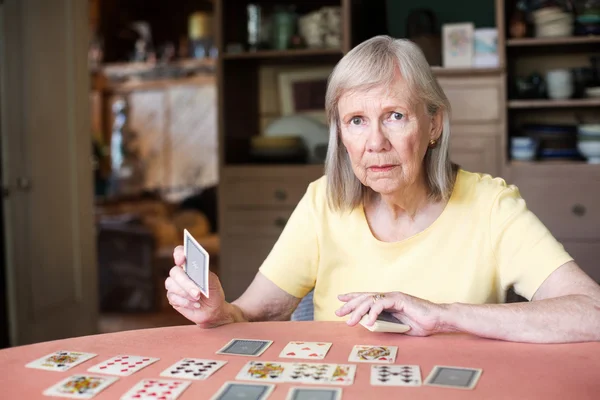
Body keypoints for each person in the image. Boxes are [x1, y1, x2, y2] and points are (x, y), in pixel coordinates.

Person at [165, 36, 600, 343]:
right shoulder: (323, 202)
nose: (375, 143)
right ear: (341, 133)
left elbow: (591, 312)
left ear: (434, 124)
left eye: (395, 115)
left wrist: (445, 316)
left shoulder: (491, 207)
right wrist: (218, 312)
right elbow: (251, 313)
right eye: (356, 121)